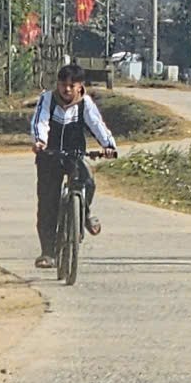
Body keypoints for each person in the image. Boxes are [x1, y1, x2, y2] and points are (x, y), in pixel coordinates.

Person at [32, 62, 120, 268]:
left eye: (72, 85)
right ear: (57, 84)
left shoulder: (85, 104)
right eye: (63, 84)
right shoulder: (47, 99)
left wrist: (108, 146)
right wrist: (40, 141)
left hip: (76, 154)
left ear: (80, 86)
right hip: (49, 155)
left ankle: (84, 213)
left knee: (88, 181)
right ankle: (48, 253)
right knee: (47, 204)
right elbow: (40, 121)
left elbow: (97, 125)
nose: (67, 89)